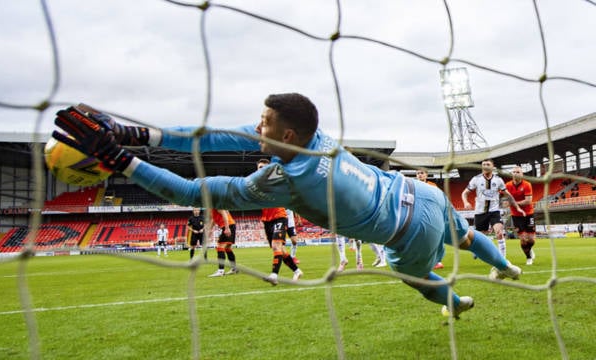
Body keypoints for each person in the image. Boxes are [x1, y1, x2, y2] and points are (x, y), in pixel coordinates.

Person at [52, 93, 523, 318]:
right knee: (462, 235)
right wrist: (138, 133)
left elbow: (191, 193)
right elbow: (215, 134)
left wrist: (123, 161)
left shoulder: (280, 183)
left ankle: (456, 303)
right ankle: (507, 267)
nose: (257, 127)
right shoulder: (316, 135)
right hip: (421, 193)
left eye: (265, 122)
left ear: (286, 135)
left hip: (404, 233)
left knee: (418, 280)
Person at [462, 159, 526, 258]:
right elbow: (465, 193)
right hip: (480, 212)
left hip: (494, 211)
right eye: (483, 164)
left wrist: (517, 208)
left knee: (499, 233)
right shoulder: (476, 179)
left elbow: (508, 195)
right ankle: (476, 249)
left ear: (492, 167)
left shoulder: (498, 180)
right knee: (480, 237)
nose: (485, 166)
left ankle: (502, 258)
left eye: (488, 164)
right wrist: (466, 202)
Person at [256, 159, 303, 285]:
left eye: (263, 167)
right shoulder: (256, 183)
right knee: (280, 250)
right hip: (267, 220)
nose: (260, 169)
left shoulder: (276, 181)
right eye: (259, 167)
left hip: (279, 216)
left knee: (277, 246)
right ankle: (297, 271)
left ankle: (274, 275)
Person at [505, 166, 536, 265]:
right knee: (523, 239)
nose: (515, 173)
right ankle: (528, 257)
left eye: (518, 172)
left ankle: (529, 249)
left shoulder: (527, 185)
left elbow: (528, 201)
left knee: (531, 240)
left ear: (522, 174)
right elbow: (498, 194)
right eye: (513, 172)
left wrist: (513, 203)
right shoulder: (507, 185)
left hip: (529, 214)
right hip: (516, 215)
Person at [416, 168, 444, 269]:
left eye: (422, 173)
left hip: (431, 215)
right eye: (418, 173)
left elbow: (438, 198)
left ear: (426, 175)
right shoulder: (414, 185)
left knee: (433, 238)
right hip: (418, 215)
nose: (420, 175)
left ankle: (437, 261)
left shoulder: (432, 185)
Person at [208, 209, 238, 277]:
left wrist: (227, 228)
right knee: (227, 248)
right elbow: (213, 219)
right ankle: (234, 269)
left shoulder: (216, 204)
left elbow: (224, 213)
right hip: (230, 225)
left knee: (220, 247)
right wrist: (209, 230)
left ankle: (220, 271)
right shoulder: (212, 208)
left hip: (228, 226)